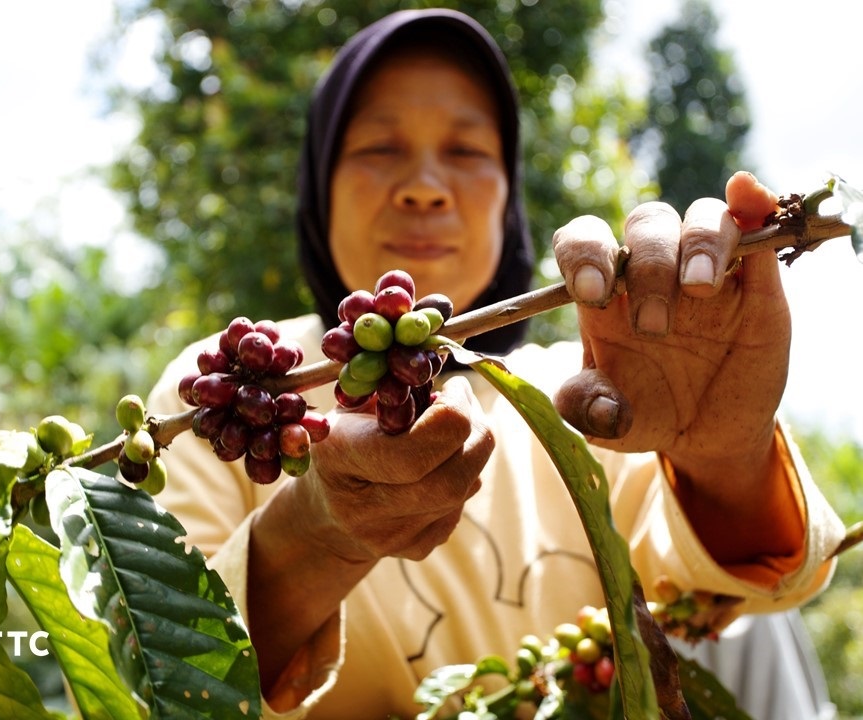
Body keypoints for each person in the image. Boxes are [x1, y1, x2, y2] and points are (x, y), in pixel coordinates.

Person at [146, 9, 845, 719]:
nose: (424, 185)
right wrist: (313, 539)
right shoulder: (226, 395)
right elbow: (155, 681)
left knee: (756, 634)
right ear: (318, 185)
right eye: (378, 148)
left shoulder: (589, 389)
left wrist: (724, 457)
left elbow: (733, 600)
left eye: (466, 150)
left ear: (509, 194)